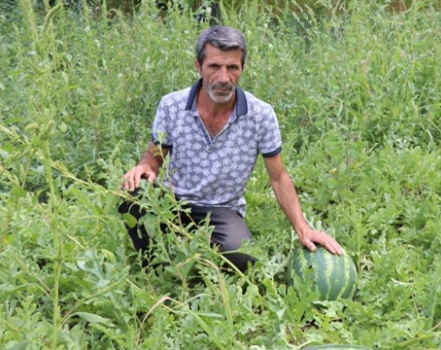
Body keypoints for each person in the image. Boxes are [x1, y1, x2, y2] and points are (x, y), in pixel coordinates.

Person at [119, 26, 342, 272]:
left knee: (244, 258)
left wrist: (303, 228)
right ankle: (156, 267)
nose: (224, 78)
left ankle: (200, 245)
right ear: (198, 66)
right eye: (214, 66)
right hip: (172, 201)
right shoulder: (172, 105)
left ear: (241, 69)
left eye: (232, 68)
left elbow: (278, 177)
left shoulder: (260, 115)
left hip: (222, 209)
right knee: (133, 194)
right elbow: (154, 157)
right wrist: (143, 167)